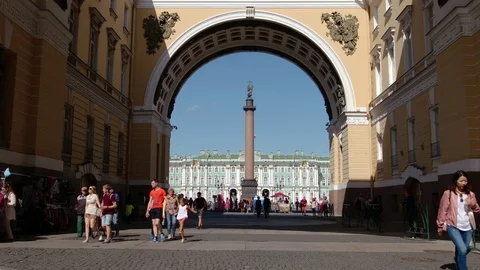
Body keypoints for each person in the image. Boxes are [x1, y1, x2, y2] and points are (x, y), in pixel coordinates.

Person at [437, 170, 480, 270]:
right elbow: (442, 210)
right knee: (462, 249)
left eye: (465, 181)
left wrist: (473, 206)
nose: (464, 183)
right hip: (453, 225)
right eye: (461, 181)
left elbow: (477, 210)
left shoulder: (470, 194)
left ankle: (458, 258)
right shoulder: (448, 193)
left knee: (466, 249)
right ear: (456, 181)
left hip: (467, 226)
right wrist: (440, 225)